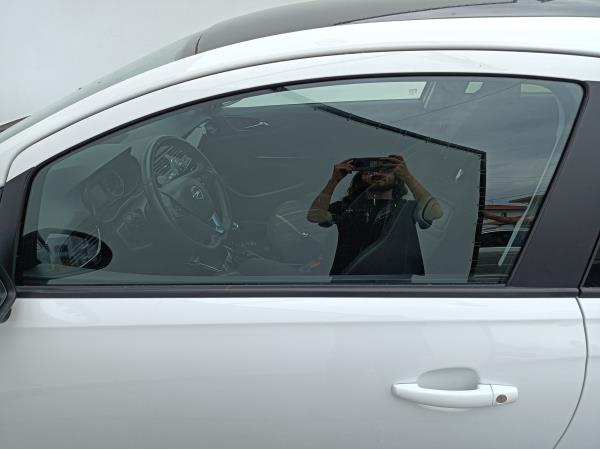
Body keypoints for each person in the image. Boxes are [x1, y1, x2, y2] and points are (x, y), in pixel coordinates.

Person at [307, 155, 443, 276]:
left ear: (397, 178)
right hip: (348, 282)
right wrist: (334, 180)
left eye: (386, 170)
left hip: (399, 285)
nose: (377, 173)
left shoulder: (408, 208)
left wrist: (407, 176)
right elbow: (315, 216)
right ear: (360, 177)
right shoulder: (346, 207)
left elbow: (435, 213)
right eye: (369, 170)